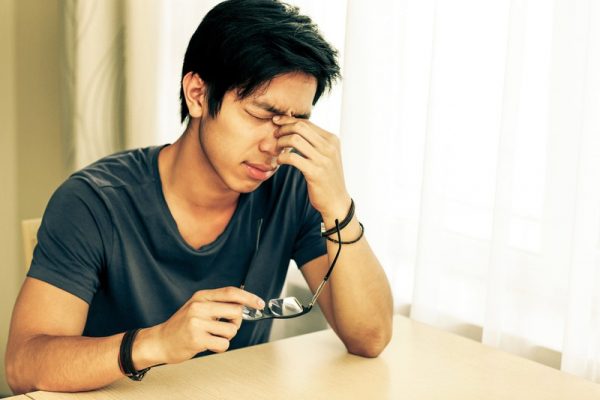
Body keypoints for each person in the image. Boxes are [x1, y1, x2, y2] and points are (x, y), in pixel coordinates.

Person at [5, 0, 393, 394]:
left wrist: (338, 204)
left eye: (295, 123)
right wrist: (157, 342)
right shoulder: (93, 202)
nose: (275, 146)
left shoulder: (291, 189)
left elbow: (370, 337)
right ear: (197, 94)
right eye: (261, 115)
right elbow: (23, 365)